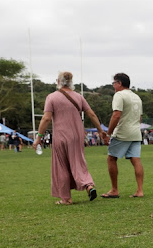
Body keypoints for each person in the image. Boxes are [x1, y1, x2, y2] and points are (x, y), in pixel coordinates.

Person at [33, 71, 109, 205]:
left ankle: (66, 198)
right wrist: (100, 130)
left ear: (58, 81)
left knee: (61, 166)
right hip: (77, 135)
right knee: (78, 162)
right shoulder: (79, 97)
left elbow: (46, 118)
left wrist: (39, 137)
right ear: (71, 82)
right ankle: (88, 186)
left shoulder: (52, 97)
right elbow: (91, 114)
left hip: (61, 135)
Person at [102, 73, 144, 198]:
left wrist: (108, 133)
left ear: (119, 83)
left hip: (122, 133)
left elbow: (116, 115)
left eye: (114, 83)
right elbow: (140, 117)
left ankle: (114, 190)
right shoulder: (137, 97)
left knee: (111, 158)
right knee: (136, 160)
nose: (113, 86)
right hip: (136, 133)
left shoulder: (119, 95)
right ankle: (140, 190)